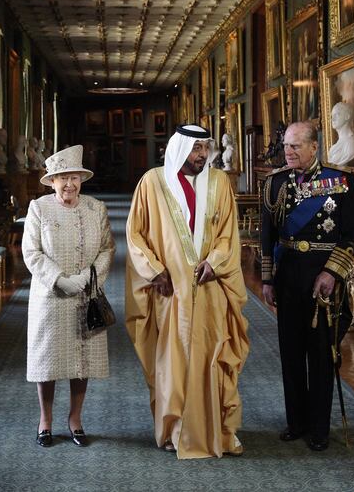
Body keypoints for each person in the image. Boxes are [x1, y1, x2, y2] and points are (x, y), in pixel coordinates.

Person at [126, 124, 249, 459]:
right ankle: (174, 430)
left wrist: (216, 261)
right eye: (195, 149)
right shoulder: (152, 182)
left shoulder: (220, 182)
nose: (201, 155)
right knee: (173, 362)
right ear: (179, 148)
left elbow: (227, 233)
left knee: (213, 359)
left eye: (205, 149)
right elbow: (135, 235)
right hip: (170, 291)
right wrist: (154, 271)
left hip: (210, 289)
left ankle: (221, 434)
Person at [260, 121, 354, 451]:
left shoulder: (341, 183)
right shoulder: (274, 184)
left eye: (295, 146)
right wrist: (266, 279)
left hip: (322, 280)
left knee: (320, 356)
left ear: (314, 147)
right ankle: (296, 421)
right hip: (288, 277)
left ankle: (319, 427)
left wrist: (332, 273)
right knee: (290, 353)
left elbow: (350, 236)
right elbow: (266, 239)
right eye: (286, 146)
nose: (288, 152)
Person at [22, 144, 115, 448]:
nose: (69, 184)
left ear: (81, 180)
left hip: (86, 296)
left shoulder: (95, 208)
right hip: (50, 297)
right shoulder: (39, 208)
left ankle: (75, 419)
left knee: (81, 360)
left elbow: (107, 248)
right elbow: (31, 252)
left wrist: (87, 279)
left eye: (74, 178)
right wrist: (60, 280)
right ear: (52, 181)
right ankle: (44, 420)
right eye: (62, 178)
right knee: (47, 361)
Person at [327, 102, 354, 167]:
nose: (333, 119)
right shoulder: (338, 144)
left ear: (347, 116)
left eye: (337, 114)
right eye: (332, 116)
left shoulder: (351, 143)